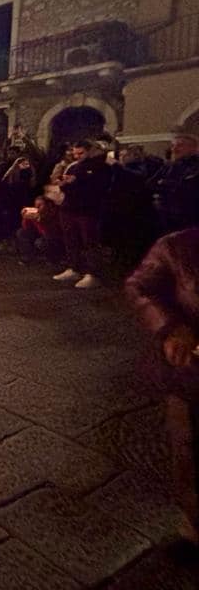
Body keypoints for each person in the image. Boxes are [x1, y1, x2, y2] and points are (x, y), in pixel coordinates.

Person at [125, 228, 199, 561]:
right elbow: (140, 287)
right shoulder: (177, 246)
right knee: (188, 450)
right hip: (191, 375)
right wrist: (170, 327)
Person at [53, 140, 111, 289]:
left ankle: (93, 273)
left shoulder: (101, 166)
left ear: (89, 151)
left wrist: (77, 181)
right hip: (70, 208)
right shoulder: (73, 166)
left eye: (81, 153)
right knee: (71, 239)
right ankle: (74, 268)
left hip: (87, 210)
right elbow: (67, 186)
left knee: (89, 241)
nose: (77, 156)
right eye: (75, 153)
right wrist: (64, 184)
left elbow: (99, 187)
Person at [149, 129, 199, 236]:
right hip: (162, 217)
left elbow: (187, 188)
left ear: (193, 148)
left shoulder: (195, 167)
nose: (174, 149)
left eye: (180, 145)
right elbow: (150, 184)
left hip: (185, 220)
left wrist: (164, 184)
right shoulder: (168, 166)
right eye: (173, 146)